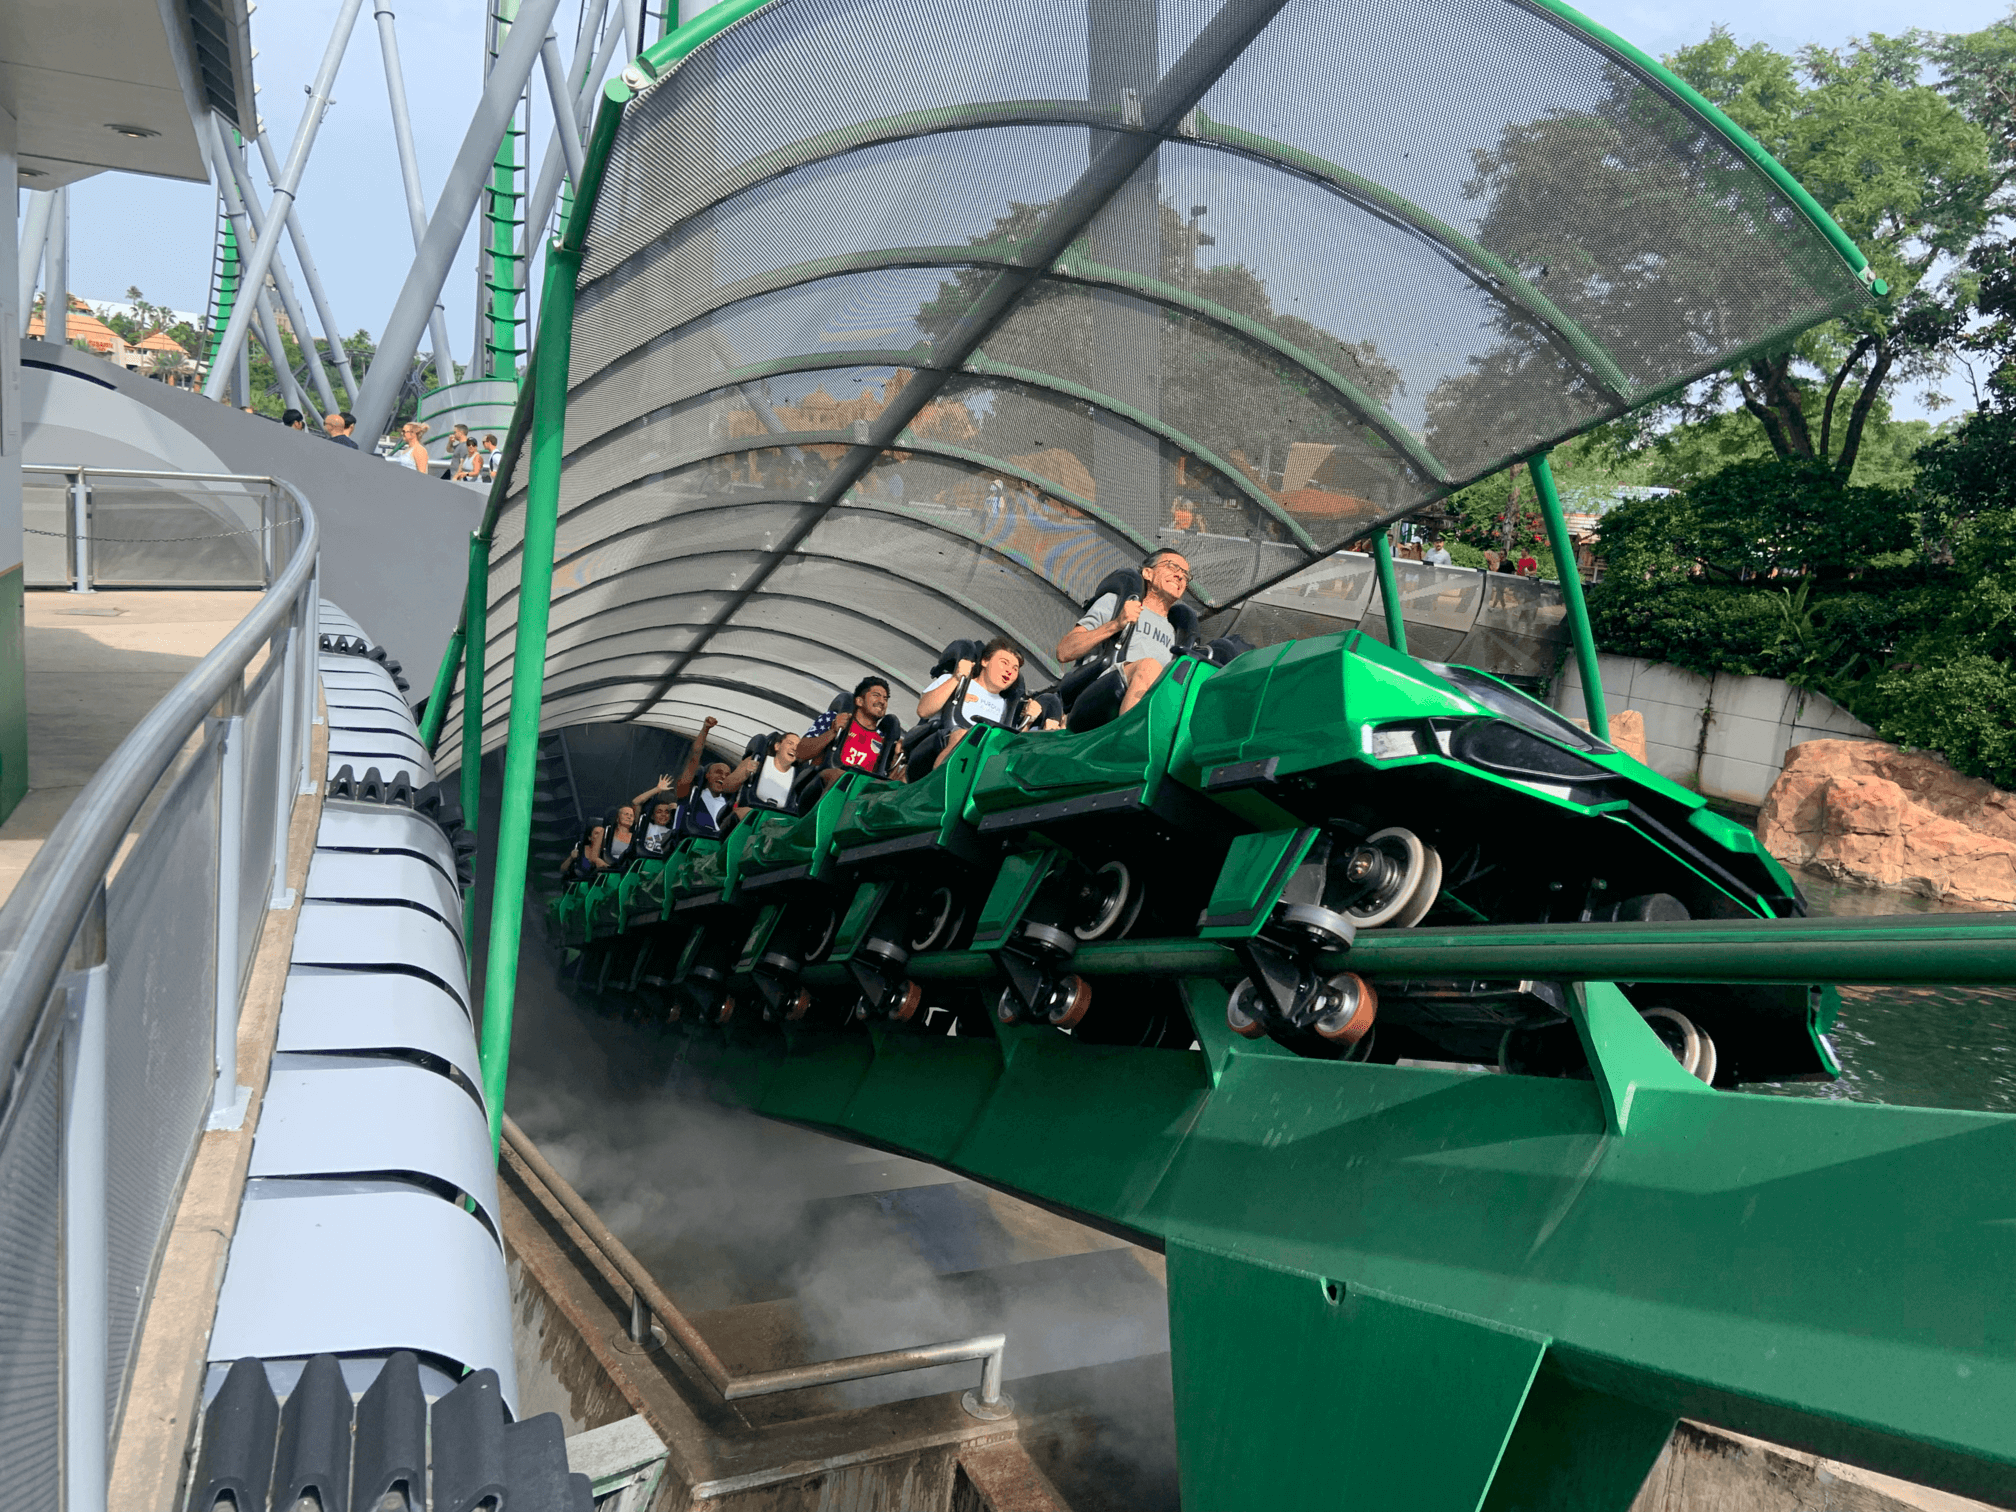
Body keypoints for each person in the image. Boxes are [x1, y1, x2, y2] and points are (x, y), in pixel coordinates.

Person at [1055, 548, 1190, 717]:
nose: (1180, 576)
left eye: (1185, 574)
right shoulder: (1117, 603)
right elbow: (1064, 651)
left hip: (1148, 703)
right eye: (1172, 567)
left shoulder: (1175, 635)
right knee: (1149, 667)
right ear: (1148, 573)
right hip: (1098, 696)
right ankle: (1126, 739)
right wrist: (1116, 624)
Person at [916, 639, 1031, 769]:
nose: (1009, 671)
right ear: (985, 661)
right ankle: (942, 782)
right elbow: (923, 711)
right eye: (1004, 663)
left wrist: (1028, 720)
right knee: (963, 735)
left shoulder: (1007, 708)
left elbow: (1012, 744)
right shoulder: (954, 681)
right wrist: (956, 678)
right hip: (937, 746)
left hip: (983, 758)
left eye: (1015, 669)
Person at [799, 677, 902, 788]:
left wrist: (896, 758)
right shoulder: (833, 718)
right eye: (876, 695)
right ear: (859, 701)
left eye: (885, 699)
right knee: (839, 776)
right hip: (820, 788)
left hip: (858, 795)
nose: (882, 701)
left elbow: (886, 784)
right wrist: (833, 731)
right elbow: (800, 754)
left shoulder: (884, 740)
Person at [671, 717, 759, 837]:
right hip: (688, 848)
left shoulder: (729, 804)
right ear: (707, 775)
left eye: (727, 775)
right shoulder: (689, 794)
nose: (723, 776)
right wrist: (705, 729)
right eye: (718, 772)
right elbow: (694, 758)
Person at [743, 732, 802, 813]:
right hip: (750, 810)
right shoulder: (758, 761)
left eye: (797, 747)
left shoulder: (799, 775)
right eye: (790, 743)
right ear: (777, 746)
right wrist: (744, 774)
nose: (794, 748)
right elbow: (729, 785)